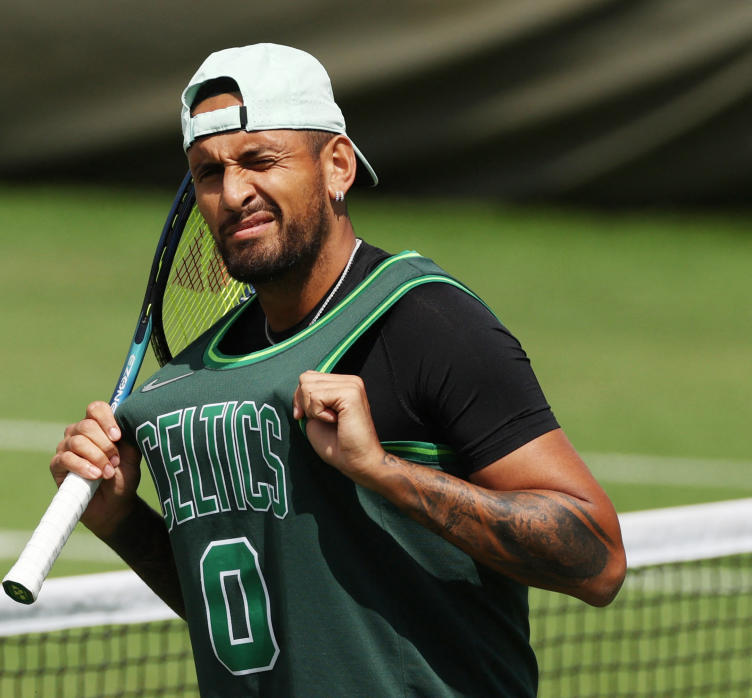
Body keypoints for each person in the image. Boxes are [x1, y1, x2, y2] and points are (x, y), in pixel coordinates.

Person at [51, 43, 626, 697]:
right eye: (208, 173)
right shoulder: (190, 389)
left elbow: (598, 561)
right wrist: (123, 519)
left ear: (338, 166)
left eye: (260, 160)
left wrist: (380, 471)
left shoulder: (426, 325)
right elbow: (258, 618)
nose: (233, 193)